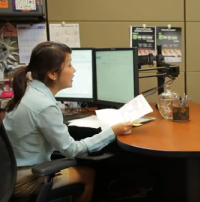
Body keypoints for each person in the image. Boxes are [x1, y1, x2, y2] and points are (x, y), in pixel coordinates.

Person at [3, 41, 133, 202]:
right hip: (25, 180)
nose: (74, 70)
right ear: (52, 73)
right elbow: (71, 150)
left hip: (9, 173)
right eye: (69, 65)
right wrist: (112, 132)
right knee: (89, 174)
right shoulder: (44, 105)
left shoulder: (30, 91)